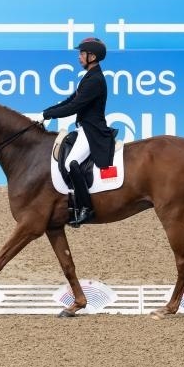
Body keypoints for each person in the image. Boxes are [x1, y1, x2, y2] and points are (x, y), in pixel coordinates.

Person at [42, 37, 117, 227]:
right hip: (84, 128)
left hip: (92, 130)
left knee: (71, 162)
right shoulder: (89, 77)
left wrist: (50, 114)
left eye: (82, 53)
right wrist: (46, 112)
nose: (79, 57)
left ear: (92, 56)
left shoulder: (95, 80)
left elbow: (74, 106)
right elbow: (70, 100)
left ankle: (86, 207)